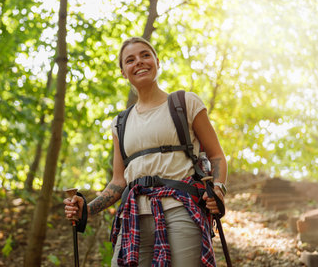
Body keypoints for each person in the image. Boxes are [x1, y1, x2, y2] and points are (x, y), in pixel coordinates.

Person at [64, 37, 228, 267]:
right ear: (123, 72)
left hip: (180, 209)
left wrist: (218, 189)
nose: (139, 62)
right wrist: (87, 209)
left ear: (157, 62)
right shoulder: (120, 123)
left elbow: (217, 155)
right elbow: (119, 181)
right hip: (133, 216)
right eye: (130, 60)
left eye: (145, 55)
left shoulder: (185, 103)